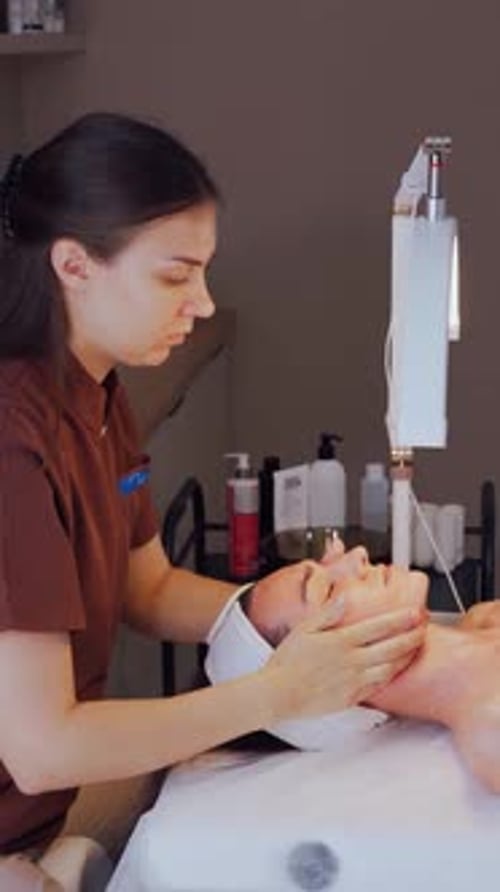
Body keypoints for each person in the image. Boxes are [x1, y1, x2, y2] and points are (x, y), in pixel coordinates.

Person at [0, 112, 426, 890]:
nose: (200, 303)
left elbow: (148, 588)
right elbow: (43, 748)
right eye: (174, 275)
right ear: (73, 264)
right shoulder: (13, 440)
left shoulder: (95, 391)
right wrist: (277, 690)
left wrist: (279, 605)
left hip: (46, 813)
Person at [208, 539, 500, 793]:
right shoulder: (491, 730)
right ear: (330, 678)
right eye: (328, 588)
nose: (358, 554)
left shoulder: (483, 617)